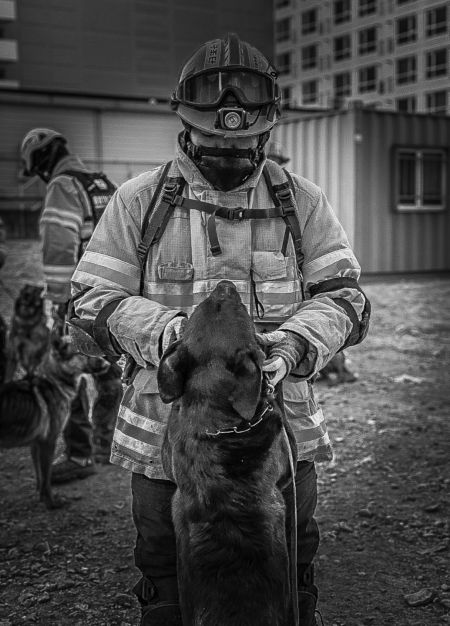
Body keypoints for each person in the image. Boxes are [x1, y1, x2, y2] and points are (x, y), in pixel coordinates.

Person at [69, 33, 370, 626]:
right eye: (213, 140)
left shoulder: (302, 203)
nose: (229, 150)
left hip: (278, 441)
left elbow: (347, 300)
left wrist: (295, 344)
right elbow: (87, 302)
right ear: (186, 126)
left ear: (266, 131)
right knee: (168, 581)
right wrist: (168, 335)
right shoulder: (139, 201)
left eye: (244, 141)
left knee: (289, 580)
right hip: (166, 447)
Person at [20, 128, 123, 481]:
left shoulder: (63, 186)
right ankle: (108, 445)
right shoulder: (101, 183)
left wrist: (58, 300)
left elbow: (59, 246)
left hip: (79, 298)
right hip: (113, 296)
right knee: (110, 371)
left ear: (41, 162)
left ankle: (80, 455)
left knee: (66, 372)